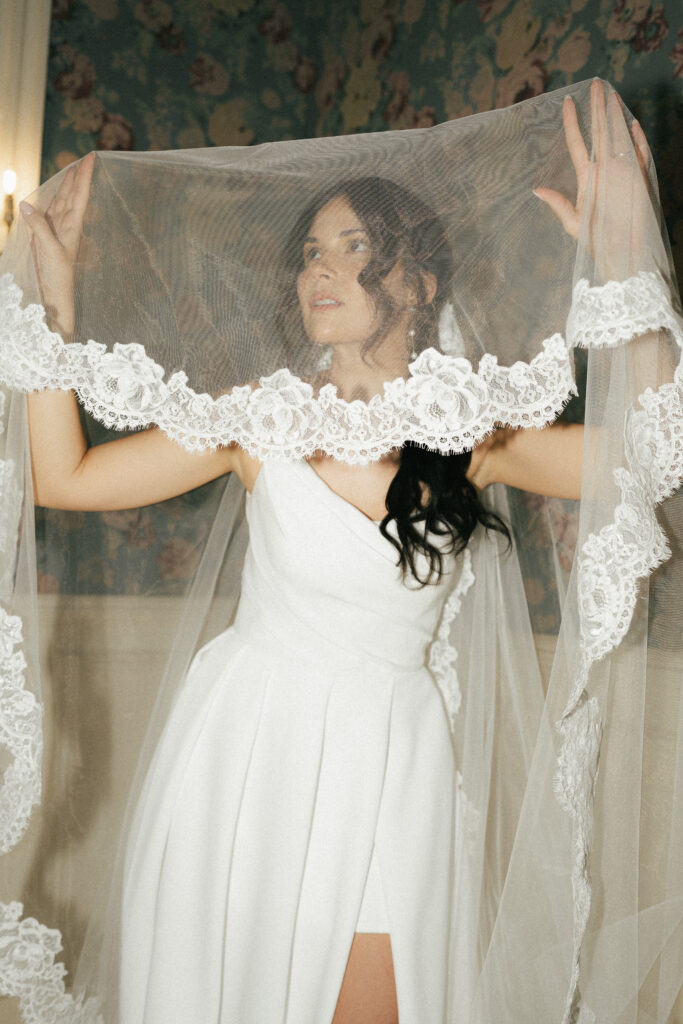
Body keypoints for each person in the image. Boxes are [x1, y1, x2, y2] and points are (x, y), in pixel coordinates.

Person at [8, 79, 672, 1024]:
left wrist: (621, 264)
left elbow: (646, 454)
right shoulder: (260, 421)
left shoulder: (467, 433)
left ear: (419, 280)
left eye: (353, 248)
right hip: (242, 756)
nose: (319, 271)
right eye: (310, 253)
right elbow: (67, 476)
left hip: (392, 766)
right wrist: (54, 308)